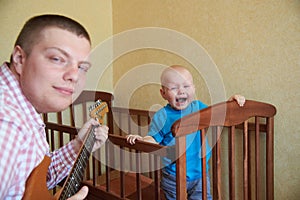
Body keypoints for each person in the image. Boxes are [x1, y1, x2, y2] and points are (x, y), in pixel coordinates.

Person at [0, 14, 109, 199]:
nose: (74, 75)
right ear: (19, 58)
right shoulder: (7, 122)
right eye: (57, 59)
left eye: (82, 67)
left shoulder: (24, 111)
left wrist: (78, 145)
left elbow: (33, 179)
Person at [127, 65, 245, 200]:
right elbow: (153, 139)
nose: (181, 91)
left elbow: (220, 113)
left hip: (200, 174)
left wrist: (231, 102)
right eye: (174, 88)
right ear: (163, 93)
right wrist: (142, 140)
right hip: (173, 176)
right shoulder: (162, 116)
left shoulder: (199, 108)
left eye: (186, 86)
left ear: (194, 89)